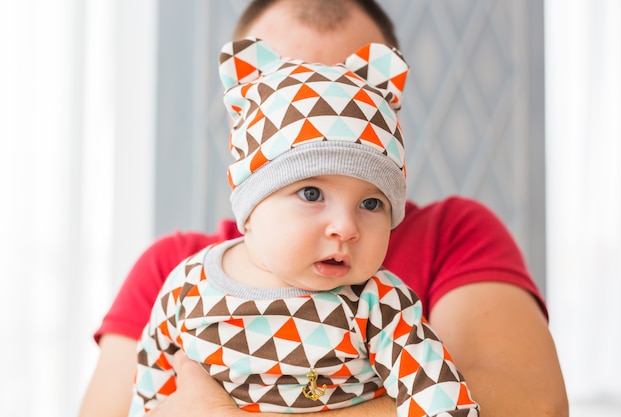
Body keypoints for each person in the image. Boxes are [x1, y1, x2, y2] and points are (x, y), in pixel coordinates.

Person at [78, 1, 568, 417]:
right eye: (295, 107)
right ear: (243, 136)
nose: (345, 227)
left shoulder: (451, 236)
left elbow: (530, 404)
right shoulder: (175, 271)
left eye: (348, 103)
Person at [128, 37, 479, 417]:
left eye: (371, 203)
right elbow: (153, 389)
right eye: (311, 193)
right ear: (250, 204)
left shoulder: (379, 304)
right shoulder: (187, 287)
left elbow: (440, 398)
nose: (345, 227)